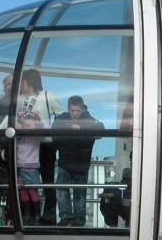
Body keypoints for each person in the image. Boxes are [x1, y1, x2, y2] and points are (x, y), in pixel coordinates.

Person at [18, 69, 64, 225]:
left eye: (22, 81)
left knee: (47, 179)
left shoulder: (47, 95)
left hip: (45, 143)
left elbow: (60, 114)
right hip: (25, 143)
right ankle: (29, 214)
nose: (20, 84)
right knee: (24, 181)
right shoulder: (20, 99)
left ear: (28, 81)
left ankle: (48, 215)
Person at [51, 96, 104, 226]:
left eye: (77, 111)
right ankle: (69, 218)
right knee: (65, 191)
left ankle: (76, 219)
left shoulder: (86, 120)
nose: (74, 113)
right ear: (68, 108)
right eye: (72, 110)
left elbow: (101, 131)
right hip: (74, 162)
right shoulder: (65, 119)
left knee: (76, 192)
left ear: (82, 109)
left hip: (78, 163)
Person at [15, 110, 45, 226]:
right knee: (23, 192)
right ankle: (27, 214)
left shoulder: (35, 136)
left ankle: (36, 215)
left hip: (31, 168)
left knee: (33, 191)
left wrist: (36, 122)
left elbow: (43, 127)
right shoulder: (19, 136)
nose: (27, 124)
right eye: (25, 122)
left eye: (30, 121)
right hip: (19, 167)